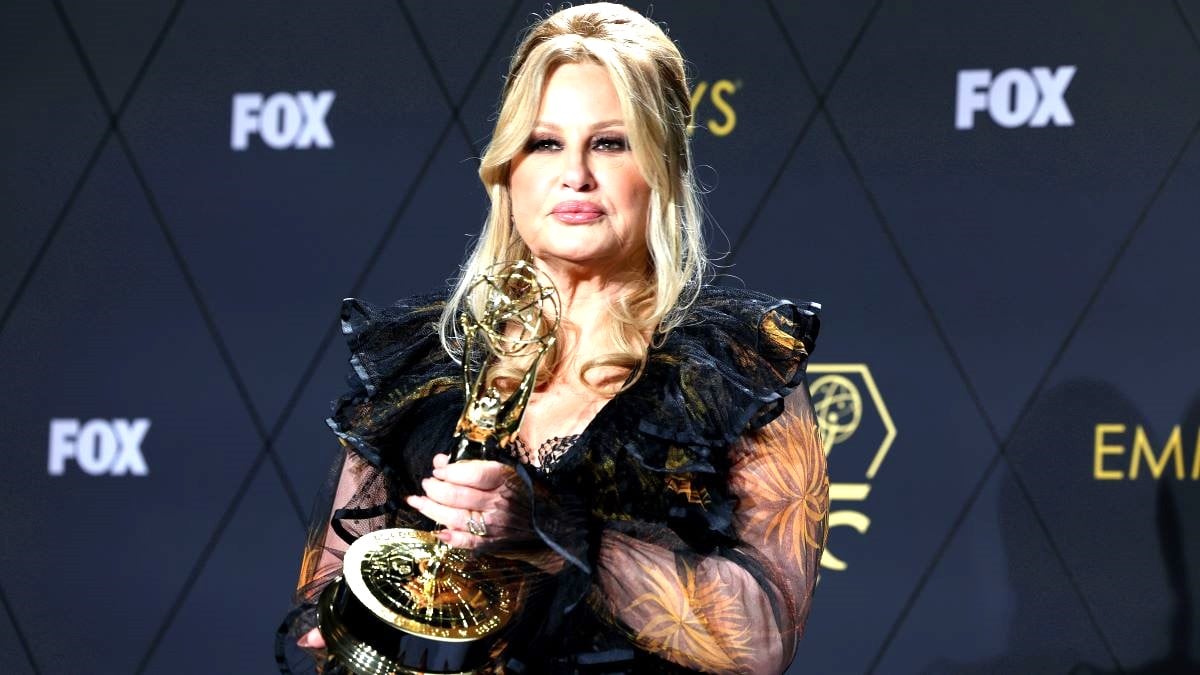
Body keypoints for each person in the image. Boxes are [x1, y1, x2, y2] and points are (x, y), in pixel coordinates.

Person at [279, 3, 828, 673]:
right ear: (508, 169)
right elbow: (329, 594)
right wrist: (350, 630)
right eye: (545, 142)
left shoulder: (734, 371)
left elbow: (764, 641)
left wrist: (556, 531)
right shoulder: (425, 364)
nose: (576, 174)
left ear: (662, 166)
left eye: (610, 142)